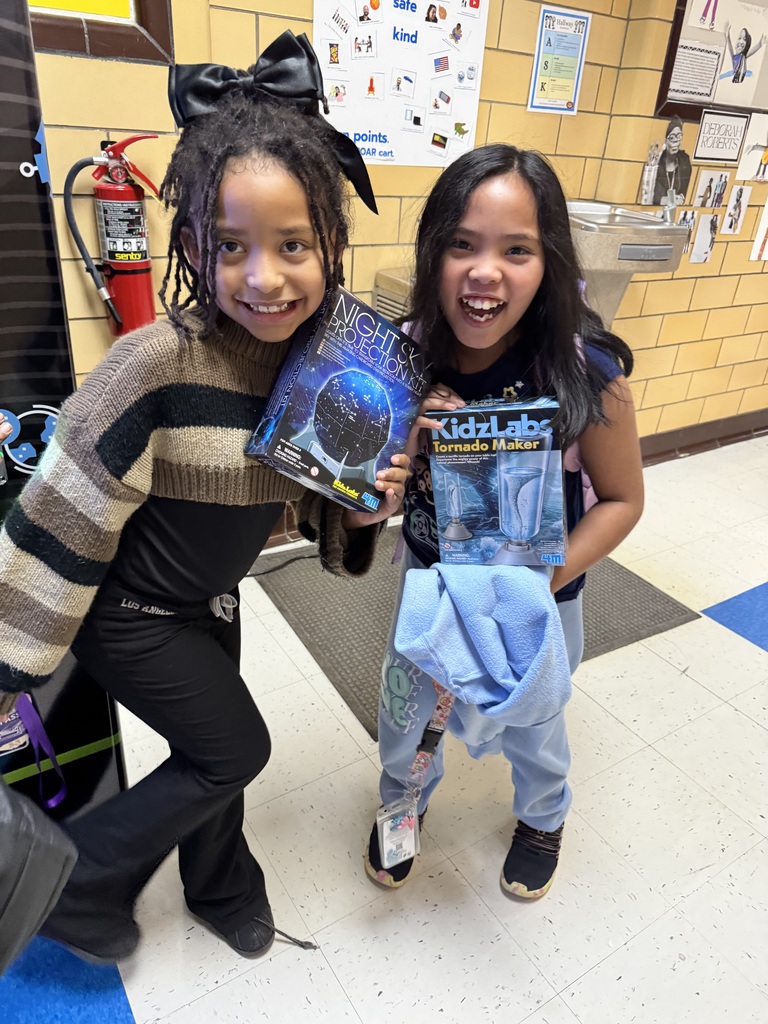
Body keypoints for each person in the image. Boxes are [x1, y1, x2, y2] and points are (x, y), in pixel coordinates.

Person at [0, 32, 409, 965]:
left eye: (293, 245)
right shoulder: (155, 364)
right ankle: (77, 880)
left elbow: (323, 509)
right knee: (233, 748)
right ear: (192, 243)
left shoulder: (323, 359)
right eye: (232, 247)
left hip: (207, 601)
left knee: (204, 750)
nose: (264, 277)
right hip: (129, 614)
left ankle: (221, 886)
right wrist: (7, 666)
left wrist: (365, 507)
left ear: (331, 244)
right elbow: (60, 507)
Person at [365, 144, 643, 898]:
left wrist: (542, 579)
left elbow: (623, 501)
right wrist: (408, 447)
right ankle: (403, 806)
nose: (485, 271)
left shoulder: (588, 374)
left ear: (548, 261)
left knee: (534, 722)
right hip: (433, 584)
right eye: (462, 244)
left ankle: (544, 814)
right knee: (405, 716)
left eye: (516, 249)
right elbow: (375, 499)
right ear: (432, 254)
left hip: (542, 598)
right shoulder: (402, 357)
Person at [652, 115, 691, 205]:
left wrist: (681, 198)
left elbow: (683, 193)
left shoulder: (684, 162)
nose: (676, 142)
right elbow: (653, 197)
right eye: (672, 137)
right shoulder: (657, 164)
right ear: (665, 141)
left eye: (679, 136)